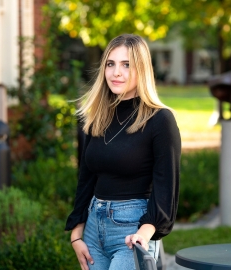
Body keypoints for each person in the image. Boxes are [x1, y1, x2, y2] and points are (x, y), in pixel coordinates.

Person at [65, 34, 181, 270]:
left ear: (142, 69)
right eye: (111, 64)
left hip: (133, 233)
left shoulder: (160, 120)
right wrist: (77, 233)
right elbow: (86, 177)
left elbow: (166, 185)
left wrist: (145, 233)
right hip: (93, 230)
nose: (116, 72)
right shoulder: (97, 116)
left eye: (126, 65)